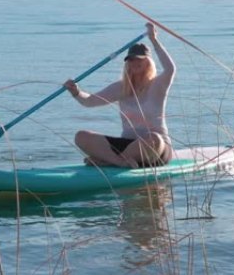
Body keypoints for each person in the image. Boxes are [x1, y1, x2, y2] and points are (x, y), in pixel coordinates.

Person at [64, 23, 176, 168]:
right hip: (127, 145)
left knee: (154, 139)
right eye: (131, 59)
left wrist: (154, 40)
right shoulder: (120, 87)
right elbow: (90, 101)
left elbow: (170, 68)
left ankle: (107, 161)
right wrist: (76, 92)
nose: (135, 62)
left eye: (140, 59)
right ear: (127, 63)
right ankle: (119, 162)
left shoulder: (158, 85)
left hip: (156, 149)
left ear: (148, 62)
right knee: (81, 136)